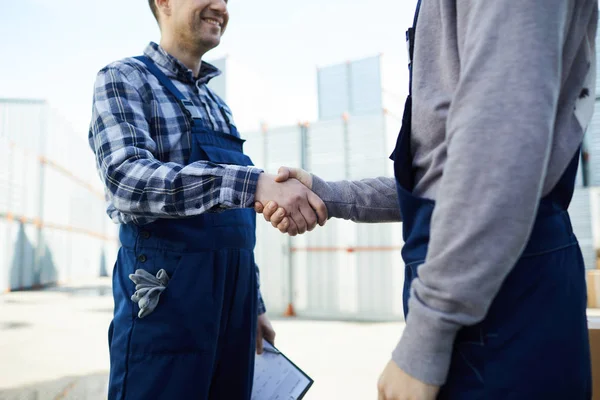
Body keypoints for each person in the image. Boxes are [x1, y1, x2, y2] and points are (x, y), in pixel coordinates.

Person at [256, 0, 598, 398]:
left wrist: (427, 334)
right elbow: (441, 180)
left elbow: (496, 160)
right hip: (489, 289)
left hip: (497, 301)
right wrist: (329, 195)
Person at [87, 0, 327, 398]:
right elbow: (125, 179)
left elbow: (233, 224)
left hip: (234, 310)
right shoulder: (123, 79)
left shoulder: (218, 106)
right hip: (166, 306)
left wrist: (255, 303)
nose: (221, 6)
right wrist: (252, 184)